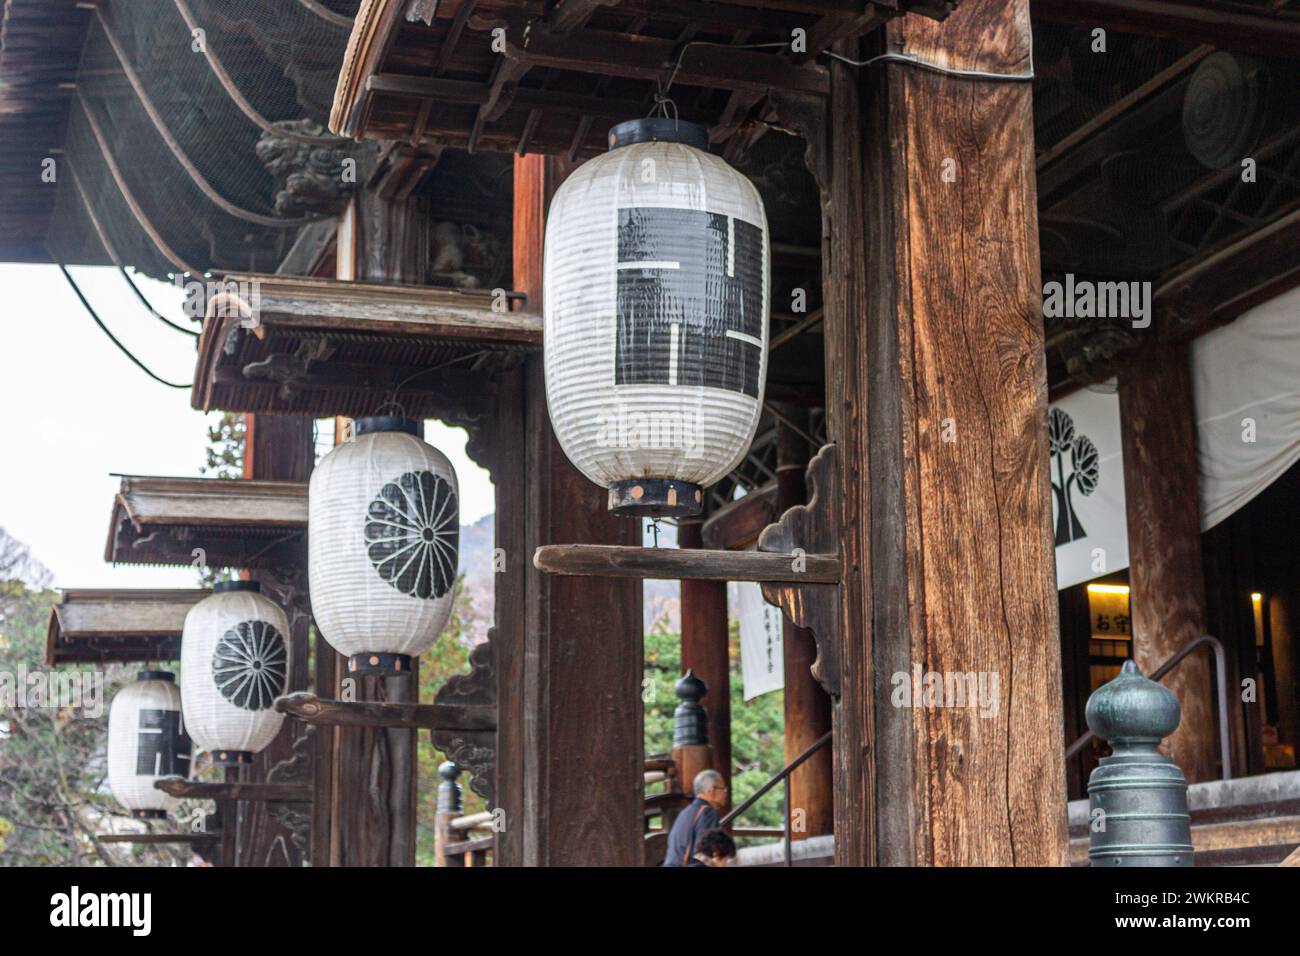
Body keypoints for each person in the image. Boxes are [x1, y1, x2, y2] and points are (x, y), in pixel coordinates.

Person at [663, 768, 728, 866]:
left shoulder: (685, 812)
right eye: (723, 789)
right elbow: (702, 856)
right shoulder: (708, 813)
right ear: (712, 790)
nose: (725, 793)